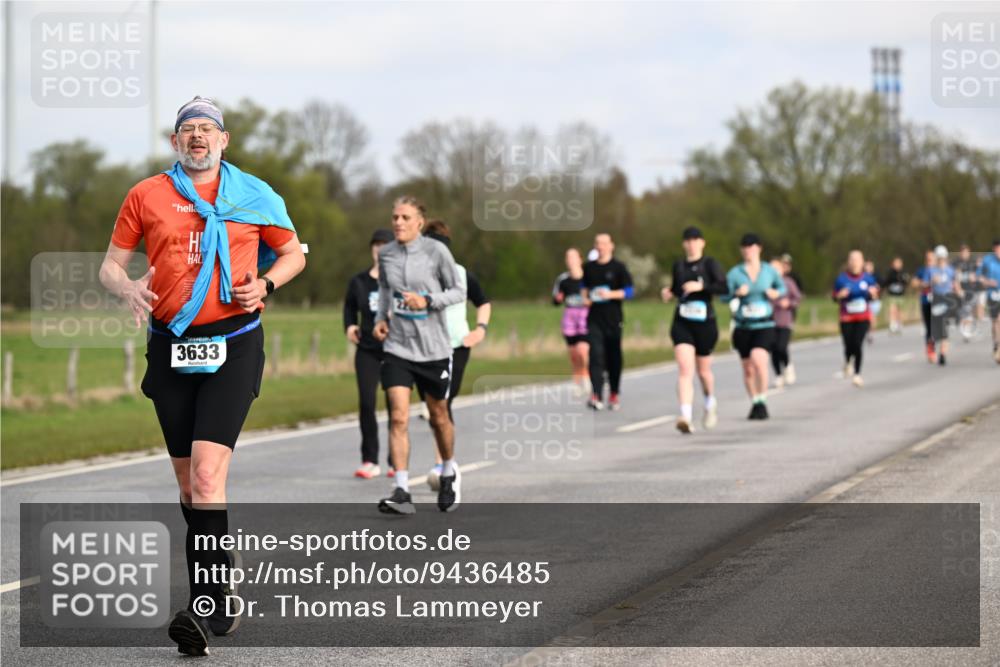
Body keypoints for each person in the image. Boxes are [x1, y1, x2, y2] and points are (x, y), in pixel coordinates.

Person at [99, 96, 306, 656]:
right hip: (171, 346)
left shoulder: (255, 194)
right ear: (175, 142)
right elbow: (111, 264)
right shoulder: (146, 195)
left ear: (224, 140)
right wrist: (126, 287)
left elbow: (293, 254)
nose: (198, 136)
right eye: (188, 129)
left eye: (207, 128)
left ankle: (204, 606)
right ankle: (221, 581)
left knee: (209, 477)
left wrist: (267, 284)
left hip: (234, 344)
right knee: (190, 487)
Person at [372, 197, 465, 515]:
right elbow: (385, 291)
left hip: (433, 349)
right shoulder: (387, 254)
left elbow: (458, 291)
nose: (398, 222)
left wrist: (428, 301)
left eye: (405, 217)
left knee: (439, 416)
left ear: (419, 222)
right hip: (398, 347)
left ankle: (448, 470)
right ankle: (401, 490)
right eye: (395, 217)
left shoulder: (436, 252)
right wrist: (380, 320)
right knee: (398, 416)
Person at [420, 220, 492, 491]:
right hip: (424, 348)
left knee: (443, 403)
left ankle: (444, 465)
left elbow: (483, 301)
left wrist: (480, 330)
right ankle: (444, 462)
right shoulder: (416, 274)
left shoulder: (461, 274)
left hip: (456, 345)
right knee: (432, 407)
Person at [660, 226, 726, 433]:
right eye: (688, 240)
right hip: (683, 322)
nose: (691, 244)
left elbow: (723, 287)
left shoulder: (710, 264)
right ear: (684, 244)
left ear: (702, 243)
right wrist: (669, 292)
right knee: (684, 368)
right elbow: (677, 289)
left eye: (695, 240)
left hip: (705, 323)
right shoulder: (679, 265)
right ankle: (685, 416)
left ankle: (709, 401)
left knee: (703, 372)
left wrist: (702, 287)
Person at [344, 228, 396, 480]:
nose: (379, 249)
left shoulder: (399, 280)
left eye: (385, 245)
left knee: (395, 406)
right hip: (367, 349)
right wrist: (350, 326)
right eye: (376, 245)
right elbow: (349, 308)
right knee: (367, 403)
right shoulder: (359, 281)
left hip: (395, 350)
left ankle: (396, 461)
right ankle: (370, 460)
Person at [726, 233, 785, 420]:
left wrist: (775, 293)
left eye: (751, 247)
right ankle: (755, 401)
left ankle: (763, 399)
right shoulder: (735, 273)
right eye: (744, 247)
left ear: (759, 248)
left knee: (758, 359)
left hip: (764, 323)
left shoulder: (769, 271)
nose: (748, 250)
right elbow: (724, 295)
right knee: (748, 369)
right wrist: (736, 293)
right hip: (743, 325)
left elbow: (782, 288)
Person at [581, 233, 634, 411]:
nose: (601, 247)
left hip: (613, 319)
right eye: (598, 243)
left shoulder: (619, 267)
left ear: (611, 246)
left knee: (613, 357)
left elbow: (629, 292)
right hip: (594, 318)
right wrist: (585, 298)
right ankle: (596, 393)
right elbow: (583, 288)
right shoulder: (588, 267)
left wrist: (610, 294)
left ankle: (614, 392)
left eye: (604, 243)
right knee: (595, 355)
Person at [832, 251, 879, 387]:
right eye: (852, 259)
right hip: (846, 317)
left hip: (863, 316)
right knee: (848, 344)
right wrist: (840, 295)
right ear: (848, 262)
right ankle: (847, 360)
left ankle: (857, 374)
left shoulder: (868, 279)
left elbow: (875, 296)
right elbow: (834, 297)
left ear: (862, 262)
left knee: (858, 344)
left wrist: (873, 294)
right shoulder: (841, 279)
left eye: (857, 260)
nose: (855, 262)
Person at [552, 248, 590, 396]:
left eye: (573, 257)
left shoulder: (588, 277)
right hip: (569, 317)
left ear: (580, 259)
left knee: (583, 351)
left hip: (585, 316)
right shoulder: (562, 280)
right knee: (574, 354)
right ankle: (577, 382)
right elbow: (555, 300)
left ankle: (586, 377)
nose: (570, 260)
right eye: (568, 258)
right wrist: (558, 299)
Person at [926, 245, 961, 366]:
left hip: (947, 299)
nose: (941, 260)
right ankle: (933, 346)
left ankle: (943, 354)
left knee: (945, 327)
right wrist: (932, 281)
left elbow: (955, 284)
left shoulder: (951, 270)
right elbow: (924, 283)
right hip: (936, 300)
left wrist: (959, 292)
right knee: (936, 328)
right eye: (939, 258)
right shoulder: (931, 270)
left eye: (943, 257)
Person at [769, 257, 802, 388]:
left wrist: (789, 303)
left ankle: (787, 365)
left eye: (776, 268)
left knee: (781, 347)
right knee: (773, 350)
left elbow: (797, 298)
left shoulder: (788, 282)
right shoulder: (765, 284)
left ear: (782, 270)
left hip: (785, 321)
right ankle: (778, 375)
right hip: (769, 322)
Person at [977, 239, 1000, 363]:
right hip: (993, 294)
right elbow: (979, 276)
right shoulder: (987, 260)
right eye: (997, 248)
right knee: (995, 321)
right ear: (993, 249)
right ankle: (996, 344)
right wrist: (988, 282)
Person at [912, 249, 936, 362]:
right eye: (928, 258)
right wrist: (923, 284)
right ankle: (930, 350)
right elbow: (914, 282)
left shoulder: (939, 270)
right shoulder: (922, 270)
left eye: (931, 258)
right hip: (925, 301)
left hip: (938, 302)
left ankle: (938, 349)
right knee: (929, 327)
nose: (929, 260)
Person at [955, 243, 981, 341]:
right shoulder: (957, 263)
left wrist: (975, 277)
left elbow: (978, 275)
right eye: (962, 252)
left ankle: (968, 330)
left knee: (969, 311)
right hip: (962, 290)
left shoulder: (973, 263)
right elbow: (955, 278)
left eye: (966, 252)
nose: (964, 254)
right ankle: (966, 330)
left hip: (972, 290)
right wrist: (958, 288)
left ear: (969, 253)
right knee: (965, 311)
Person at [881, 256, 909, 334]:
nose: (897, 265)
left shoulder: (903, 273)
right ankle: (892, 324)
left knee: (900, 310)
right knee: (892, 309)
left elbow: (907, 282)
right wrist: (882, 289)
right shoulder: (890, 273)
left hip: (901, 295)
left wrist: (903, 280)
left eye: (898, 263)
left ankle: (899, 324)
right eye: (895, 263)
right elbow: (885, 282)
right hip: (892, 294)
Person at [863, 259, 881, 343]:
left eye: (870, 266)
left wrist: (875, 292)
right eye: (867, 266)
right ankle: (866, 331)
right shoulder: (861, 276)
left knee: (872, 318)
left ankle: (870, 333)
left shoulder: (876, 276)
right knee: (866, 318)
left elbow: (878, 287)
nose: (868, 267)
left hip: (874, 301)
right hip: (865, 301)